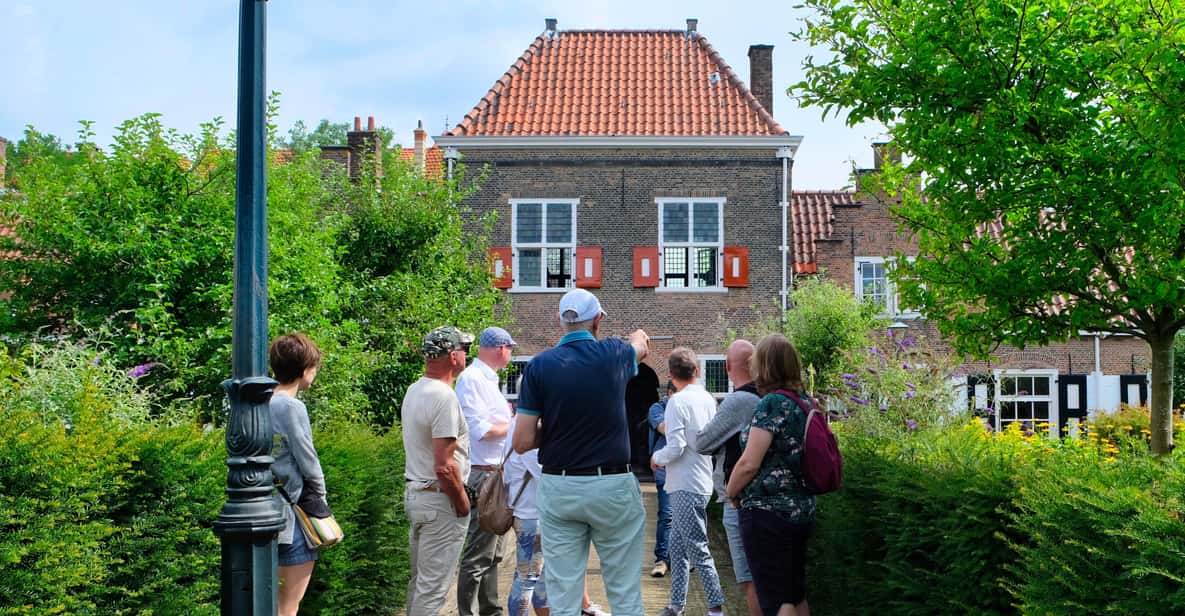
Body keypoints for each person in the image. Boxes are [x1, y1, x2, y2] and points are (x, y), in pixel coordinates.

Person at [512, 288, 650, 616]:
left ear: (561, 322)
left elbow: (521, 441)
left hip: (560, 487)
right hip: (611, 485)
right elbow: (640, 348)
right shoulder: (614, 354)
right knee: (624, 590)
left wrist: (562, 426)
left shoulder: (539, 366)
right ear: (597, 319)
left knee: (563, 595)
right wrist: (637, 337)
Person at [726, 334, 817, 616]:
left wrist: (730, 491)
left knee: (776, 600)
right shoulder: (806, 402)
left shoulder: (771, 404)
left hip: (768, 514)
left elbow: (749, 463)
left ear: (765, 367)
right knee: (794, 593)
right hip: (800, 510)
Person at [504, 417, 613, 616]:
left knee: (543, 581)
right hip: (532, 515)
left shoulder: (520, 423)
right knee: (527, 578)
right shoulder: (528, 428)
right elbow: (546, 473)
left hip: (537, 514)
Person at [403, 326, 475, 616]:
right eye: (465, 350)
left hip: (417, 496)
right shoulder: (444, 397)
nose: (466, 356)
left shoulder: (415, 389)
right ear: (453, 355)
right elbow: (444, 466)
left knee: (420, 583)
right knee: (433, 591)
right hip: (439, 500)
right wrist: (462, 503)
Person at [651, 347, 725, 616]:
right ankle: (676, 604)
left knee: (696, 547)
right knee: (677, 547)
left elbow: (676, 446)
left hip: (685, 483)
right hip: (701, 480)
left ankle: (715, 607)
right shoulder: (708, 400)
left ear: (670, 375)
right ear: (698, 371)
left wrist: (656, 457)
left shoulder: (677, 402)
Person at [695, 340, 762, 616]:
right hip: (771, 498)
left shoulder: (739, 401)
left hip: (740, 500)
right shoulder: (768, 397)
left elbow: (703, 442)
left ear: (727, 366)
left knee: (751, 581)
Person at [456, 326, 518, 616]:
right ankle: (468, 611)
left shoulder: (488, 380)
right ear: (499, 348)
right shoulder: (472, 379)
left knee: (494, 553)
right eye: (509, 347)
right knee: (479, 553)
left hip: (497, 473)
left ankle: (490, 610)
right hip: (484, 475)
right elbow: (481, 431)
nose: (511, 353)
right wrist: (519, 427)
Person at [269, 333, 329, 616]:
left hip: (262, 511)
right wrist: (321, 498)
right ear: (305, 370)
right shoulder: (292, 406)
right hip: (290, 515)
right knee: (287, 606)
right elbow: (308, 459)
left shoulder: (259, 401)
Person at [648, 381, 678, 578]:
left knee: (686, 516)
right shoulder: (658, 407)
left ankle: (680, 558)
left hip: (686, 470)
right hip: (664, 469)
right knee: (667, 515)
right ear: (670, 392)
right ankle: (662, 559)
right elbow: (663, 428)